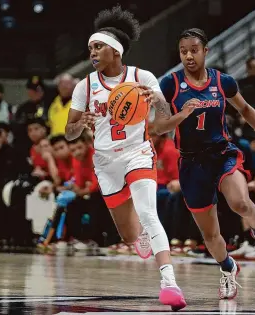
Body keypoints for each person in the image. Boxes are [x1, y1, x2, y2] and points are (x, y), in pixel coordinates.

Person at [65, 6, 186, 310]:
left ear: (115, 51)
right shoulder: (85, 86)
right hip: (106, 164)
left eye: (98, 46)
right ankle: (140, 237)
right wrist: (81, 123)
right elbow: (68, 133)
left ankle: (169, 281)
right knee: (130, 232)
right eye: (90, 47)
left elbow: (164, 116)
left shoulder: (141, 76)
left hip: (138, 153)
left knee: (148, 213)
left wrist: (156, 98)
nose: (92, 52)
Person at [158, 28, 255, 300]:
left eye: (194, 50)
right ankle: (228, 269)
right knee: (210, 234)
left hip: (223, 153)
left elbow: (246, 109)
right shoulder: (170, 84)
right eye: (184, 51)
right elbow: (157, 126)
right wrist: (182, 114)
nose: (189, 56)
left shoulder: (222, 81)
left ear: (206, 51)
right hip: (191, 163)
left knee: (240, 202)